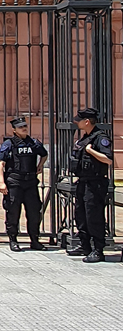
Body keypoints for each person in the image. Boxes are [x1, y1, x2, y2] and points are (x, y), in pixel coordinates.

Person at [67, 108, 114, 263]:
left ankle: (98, 250)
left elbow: (108, 159)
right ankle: (84, 245)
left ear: (87, 122)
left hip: (96, 183)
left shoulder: (100, 138)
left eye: (79, 120)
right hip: (83, 181)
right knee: (80, 215)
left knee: (93, 216)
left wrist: (91, 151)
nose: (76, 122)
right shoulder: (85, 138)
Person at [0, 117, 48, 252]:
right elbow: (1, 163)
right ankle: (13, 239)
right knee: (13, 212)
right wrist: (2, 182)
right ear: (14, 130)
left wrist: (40, 166)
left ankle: (35, 240)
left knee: (34, 212)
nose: (24, 128)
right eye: (20, 127)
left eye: (25, 126)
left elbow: (44, 154)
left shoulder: (33, 143)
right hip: (14, 182)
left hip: (30, 182)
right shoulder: (9, 144)